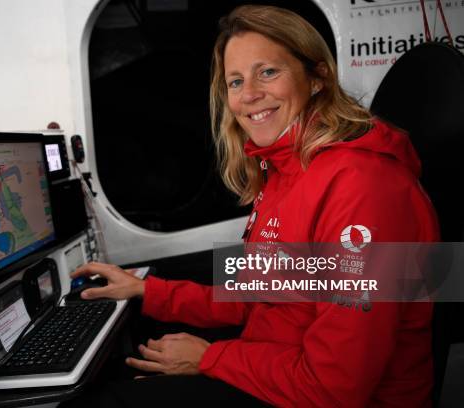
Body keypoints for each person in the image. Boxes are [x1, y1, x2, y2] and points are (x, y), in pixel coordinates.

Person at [63, 5, 439, 408]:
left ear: (317, 77)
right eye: (235, 81)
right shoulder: (286, 169)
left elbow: (335, 387)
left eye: (268, 72)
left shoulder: (363, 190)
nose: (249, 96)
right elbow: (263, 294)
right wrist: (148, 291)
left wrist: (210, 358)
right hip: (280, 365)